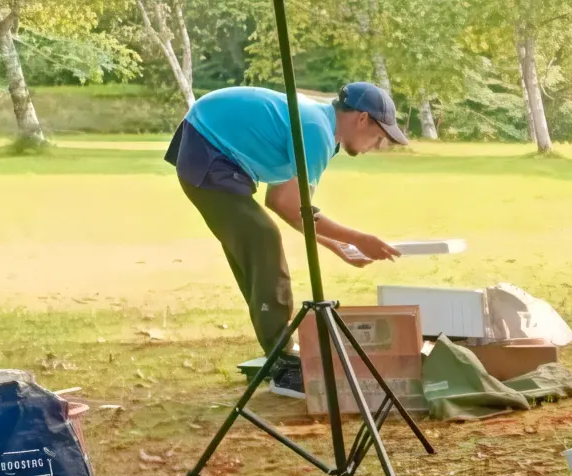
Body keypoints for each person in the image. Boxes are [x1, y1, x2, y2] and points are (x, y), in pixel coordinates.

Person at [166, 82, 407, 396]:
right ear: (362, 119)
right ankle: (282, 365)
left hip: (213, 150)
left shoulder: (322, 131)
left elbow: (282, 200)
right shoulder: (317, 130)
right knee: (262, 239)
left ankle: (279, 356)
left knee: (257, 244)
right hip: (206, 147)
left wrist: (338, 246)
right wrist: (359, 238)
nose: (377, 146)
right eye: (378, 136)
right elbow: (294, 206)